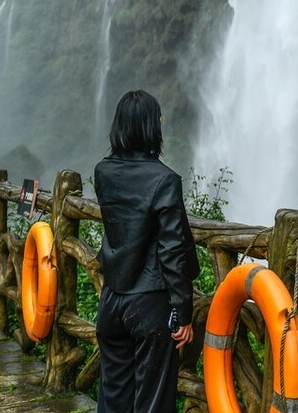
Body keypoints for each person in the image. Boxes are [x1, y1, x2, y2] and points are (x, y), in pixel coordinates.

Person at [93, 90, 199, 413]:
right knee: (152, 403)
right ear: (149, 127)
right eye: (158, 119)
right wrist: (182, 312)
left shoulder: (102, 172)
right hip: (150, 303)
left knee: (113, 398)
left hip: (111, 301)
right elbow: (172, 250)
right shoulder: (165, 180)